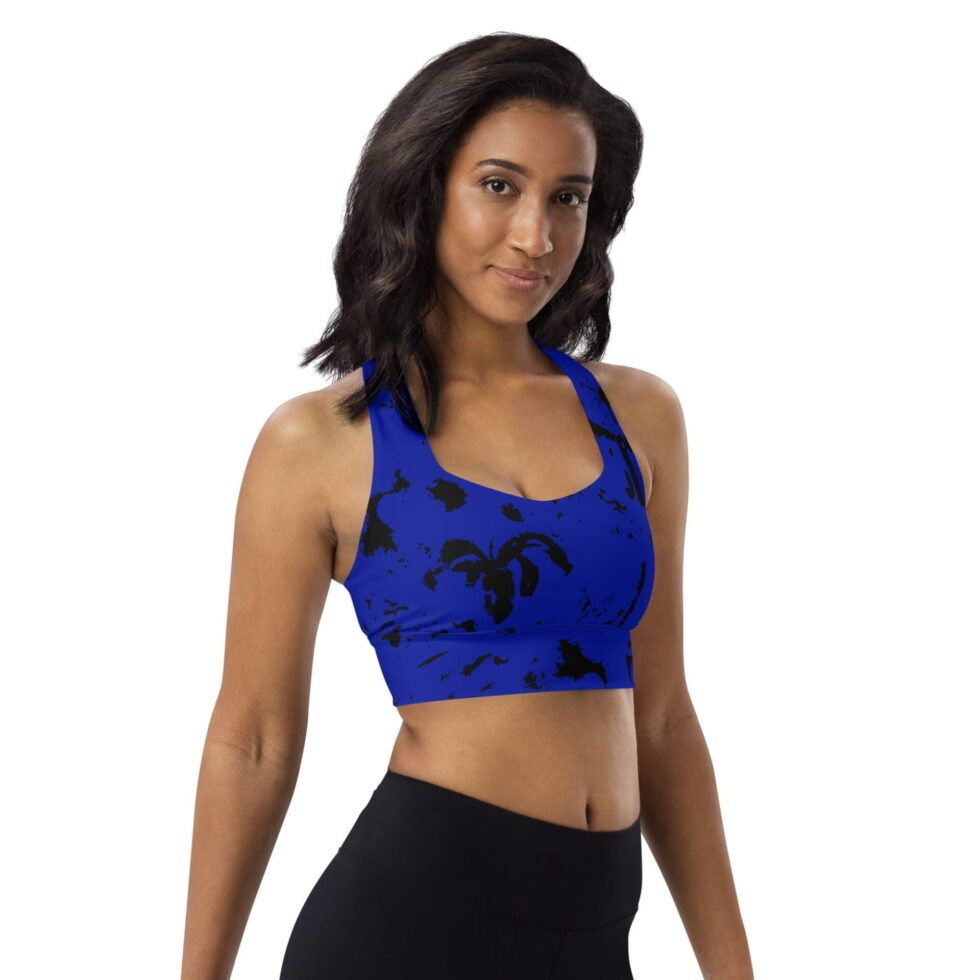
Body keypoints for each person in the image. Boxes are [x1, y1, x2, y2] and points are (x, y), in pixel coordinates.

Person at [181, 32, 753, 980]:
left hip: (592, 937)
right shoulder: (321, 441)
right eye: (499, 185)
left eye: (568, 197)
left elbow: (662, 720)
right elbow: (252, 740)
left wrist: (734, 969)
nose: (536, 235)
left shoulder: (639, 417)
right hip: (407, 931)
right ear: (424, 188)